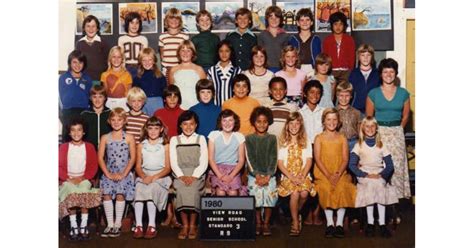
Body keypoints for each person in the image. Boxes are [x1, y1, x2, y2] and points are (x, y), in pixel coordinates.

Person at [366, 58, 411, 224]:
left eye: (392, 71)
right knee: (380, 169)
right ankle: (379, 212)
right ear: (381, 74)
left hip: (396, 134)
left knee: (396, 170)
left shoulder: (403, 93)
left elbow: (406, 115)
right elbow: (369, 118)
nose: (389, 74)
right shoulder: (373, 93)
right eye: (385, 71)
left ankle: (394, 210)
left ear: (396, 73)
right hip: (379, 134)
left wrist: (398, 128)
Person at [348, 116, 398, 238]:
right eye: (367, 126)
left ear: (376, 128)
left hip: (378, 172)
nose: (370, 128)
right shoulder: (359, 145)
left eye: (372, 126)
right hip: (364, 172)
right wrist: (364, 174)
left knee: (379, 185)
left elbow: (390, 165)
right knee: (370, 185)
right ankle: (370, 223)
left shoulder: (381, 145)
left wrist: (381, 175)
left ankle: (382, 224)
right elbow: (352, 165)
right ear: (363, 128)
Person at [313, 108, 356, 238]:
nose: (331, 122)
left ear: (338, 122)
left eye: (334, 120)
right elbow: (318, 159)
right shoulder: (319, 138)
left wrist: (337, 174)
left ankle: (339, 224)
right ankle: (330, 223)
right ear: (324, 121)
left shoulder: (342, 138)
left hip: (340, 172)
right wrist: (328, 175)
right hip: (323, 172)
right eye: (328, 120)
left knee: (343, 188)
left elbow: (345, 159)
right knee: (326, 188)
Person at [59, 118, 101, 241]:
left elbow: (93, 166)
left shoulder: (89, 147)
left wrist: (83, 178)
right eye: (73, 130)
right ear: (69, 133)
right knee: (71, 192)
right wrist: (68, 179)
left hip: (84, 178)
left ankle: (83, 225)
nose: (76, 133)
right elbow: (58, 166)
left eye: (79, 130)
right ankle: (74, 226)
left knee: (83, 191)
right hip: (67, 180)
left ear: (83, 132)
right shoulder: (64, 147)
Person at [98, 107, 136, 238]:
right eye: (113, 120)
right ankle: (110, 224)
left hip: (124, 173)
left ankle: (118, 224)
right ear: (109, 121)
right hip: (109, 172)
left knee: (121, 192)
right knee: (106, 193)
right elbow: (100, 158)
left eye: (119, 120)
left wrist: (123, 174)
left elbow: (133, 159)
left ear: (125, 121)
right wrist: (108, 174)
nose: (116, 122)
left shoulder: (129, 137)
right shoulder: (105, 137)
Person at [170, 111, 208, 240]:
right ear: (180, 125)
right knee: (181, 189)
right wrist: (181, 176)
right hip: (180, 174)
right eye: (185, 124)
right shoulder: (175, 140)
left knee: (192, 189)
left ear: (196, 125)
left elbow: (204, 161)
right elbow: (173, 162)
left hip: (197, 174)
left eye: (191, 124)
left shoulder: (201, 139)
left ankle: (193, 225)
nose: (188, 127)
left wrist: (194, 176)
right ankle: (184, 225)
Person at [133, 117, 172, 239]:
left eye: (156, 128)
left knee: (152, 189)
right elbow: (138, 167)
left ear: (161, 130)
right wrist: (144, 176)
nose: (153, 131)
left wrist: (154, 177)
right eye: (150, 128)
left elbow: (167, 168)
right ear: (146, 130)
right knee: (139, 188)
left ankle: (151, 225)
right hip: (145, 175)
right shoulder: (141, 145)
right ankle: (139, 225)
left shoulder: (165, 145)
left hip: (161, 176)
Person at [277, 112, 316, 236]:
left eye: (297, 124)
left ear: (301, 125)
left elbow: (309, 160)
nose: (294, 126)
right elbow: (280, 163)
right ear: (287, 125)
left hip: (303, 174)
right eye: (291, 123)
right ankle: (295, 222)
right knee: (294, 193)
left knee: (304, 193)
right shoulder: (283, 141)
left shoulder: (306, 140)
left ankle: (296, 212)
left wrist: (302, 175)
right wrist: (291, 177)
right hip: (288, 175)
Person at [245, 106, 278, 236]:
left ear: (268, 122)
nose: (262, 124)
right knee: (256, 197)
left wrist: (268, 176)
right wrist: (257, 175)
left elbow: (273, 158)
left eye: (265, 121)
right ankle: (258, 222)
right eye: (259, 121)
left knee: (270, 196)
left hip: (270, 175)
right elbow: (249, 159)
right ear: (254, 122)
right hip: (255, 175)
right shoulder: (249, 139)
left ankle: (266, 223)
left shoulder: (272, 138)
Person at [208, 110, 246, 196]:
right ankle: (221, 210)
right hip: (217, 170)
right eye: (224, 120)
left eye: (230, 120)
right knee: (220, 192)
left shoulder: (239, 137)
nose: (227, 123)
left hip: (234, 170)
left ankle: (233, 210)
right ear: (220, 122)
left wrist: (231, 176)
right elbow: (211, 159)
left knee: (233, 192)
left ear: (235, 122)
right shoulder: (213, 135)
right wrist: (220, 175)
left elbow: (241, 160)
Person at [59, 50, 93, 142]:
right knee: (67, 138)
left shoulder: (87, 79)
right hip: (68, 112)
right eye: (74, 62)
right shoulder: (63, 78)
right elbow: (61, 97)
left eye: (80, 62)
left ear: (84, 64)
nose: (77, 65)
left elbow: (90, 97)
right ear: (70, 63)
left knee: (83, 138)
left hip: (83, 111)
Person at [168, 40, 207, 110]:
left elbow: (204, 90)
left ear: (193, 53)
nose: (185, 53)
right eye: (182, 50)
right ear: (178, 53)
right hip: (179, 107)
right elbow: (172, 91)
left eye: (188, 50)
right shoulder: (173, 70)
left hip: (195, 105)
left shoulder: (199, 69)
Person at [322, 12, 355, 83]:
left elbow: (352, 57)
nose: (338, 27)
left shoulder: (349, 39)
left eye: (341, 24)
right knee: (331, 92)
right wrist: (326, 70)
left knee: (344, 92)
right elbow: (325, 57)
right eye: (335, 24)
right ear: (331, 25)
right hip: (331, 71)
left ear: (344, 26)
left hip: (345, 72)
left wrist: (350, 71)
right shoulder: (327, 40)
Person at [133, 47, 167, 116]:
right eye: (144, 60)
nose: (147, 63)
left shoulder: (160, 76)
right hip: (143, 104)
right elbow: (135, 94)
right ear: (140, 62)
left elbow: (165, 92)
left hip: (158, 103)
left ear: (154, 60)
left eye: (150, 60)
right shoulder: (137, 78)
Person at [207, 40, 242, 107]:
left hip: (233, 108)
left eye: (227, 51)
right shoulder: (211, 70)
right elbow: (209, 91)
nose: (224, 54)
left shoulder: (238, 71)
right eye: (221, 51)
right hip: (216, 108)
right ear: (218, 53)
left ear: (231, 52)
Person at [348, 44, 381, 115]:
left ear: (372, 57)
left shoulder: (377, 74)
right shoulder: (353, 73)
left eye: (368, 55)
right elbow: (349, 92)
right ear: (358, 57)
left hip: (374, 110)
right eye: (363, 55)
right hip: (357, 110)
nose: (365, 58)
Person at [288, 8, 322, 76]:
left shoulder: (316, 39)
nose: (305, 22)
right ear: (298, 23)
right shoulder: (293, 39)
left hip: (313, 69)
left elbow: (320, 57)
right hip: (297, 69)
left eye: (307, 20)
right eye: (302, 20)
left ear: (312, 22)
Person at [76, 15, 109, 82]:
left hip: (99, 79)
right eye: (88, 26)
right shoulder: (79, 43)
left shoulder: (103, 43)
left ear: (97, 28)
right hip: (84, 79)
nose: (91, 29)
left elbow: (108, 62)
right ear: (84, 28)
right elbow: (77, 61)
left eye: (93, 26)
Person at [257, 6, 289, 73]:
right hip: (265, 69)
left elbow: (286, 55)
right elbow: (259, 54)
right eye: (271, 18)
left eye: (276, 17)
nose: (274, 20)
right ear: (267, 19)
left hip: (281, 69)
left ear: (280, 19)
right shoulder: (262, 35)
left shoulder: (285, 35)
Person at [101, 46, 133, 112]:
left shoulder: (127, 74)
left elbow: (129, 94)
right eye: (114, 57)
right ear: (110, 58)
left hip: (124, 103)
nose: (116, 59)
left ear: (122, 59)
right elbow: (105, 93)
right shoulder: (104, 75)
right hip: (110, 103)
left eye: (119, 57)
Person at [81, 84, 112, 150]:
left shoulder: (110, 113)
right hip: (89, 150)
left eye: (100, 97)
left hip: (107, 151)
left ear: (105, 98)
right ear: (90, 98)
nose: (97, 100)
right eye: (94, 97)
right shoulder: (84, 114)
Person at [118, 11, 148, 78]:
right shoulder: (122, 39)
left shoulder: (143, 39)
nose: (134, 25)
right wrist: (122, 68)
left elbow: (145, 56)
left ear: (140, 24)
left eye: (137, 23)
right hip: (126, 67)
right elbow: (121, 55)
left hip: (139, 67)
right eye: (132, 23)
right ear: (127, 24)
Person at [159, 8, 189, 75]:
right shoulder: (162, 37)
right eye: (171, 18)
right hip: (166, 69)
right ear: (166, 20)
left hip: (180, 68)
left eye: (177, 18)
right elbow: (162, 55)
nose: (174, 20)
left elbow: (186, 53)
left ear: (180, 21)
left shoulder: (184, 36)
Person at [299, 80, 325, 145]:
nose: (315, 95)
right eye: (312, 92)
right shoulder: (300, 113)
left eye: (318, 93)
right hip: (305, 147)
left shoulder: (324, 112)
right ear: (305, 94)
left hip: (321, 146)